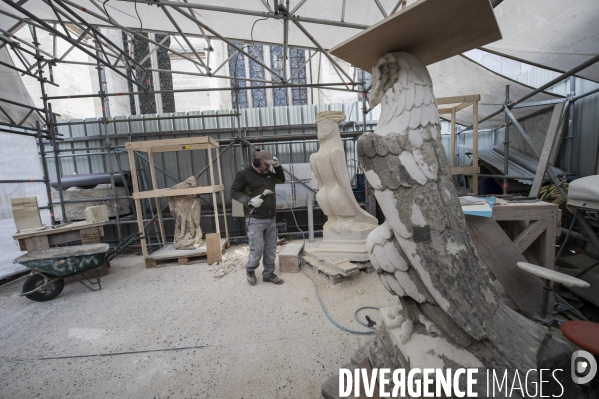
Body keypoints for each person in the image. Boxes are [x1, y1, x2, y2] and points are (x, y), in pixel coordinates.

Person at [230, 150, 286, 286]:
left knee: (271, 249)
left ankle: (268, 274)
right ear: (256, 162)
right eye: (266, 164)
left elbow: (282, 179)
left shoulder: (269, 174)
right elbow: (234, 192)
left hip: (271, 218)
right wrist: (249, 201)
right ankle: (250, 270)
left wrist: (278, 166)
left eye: (270, 164)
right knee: (257, 248)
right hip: (255, 218)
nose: (268, 167)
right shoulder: (244, 175)